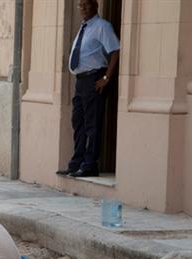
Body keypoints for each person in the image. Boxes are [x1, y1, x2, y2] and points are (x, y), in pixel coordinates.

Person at [57, 0, 120, 178]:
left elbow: (115, 51)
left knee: (92, 124)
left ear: (95, 6)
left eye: (86, 5)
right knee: (79, 123)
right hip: (81, 81)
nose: (82, 8)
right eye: (80, 5)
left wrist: (106, 78)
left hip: (94, 78)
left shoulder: (102, 26)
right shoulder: (84, 27)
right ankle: (76, 163)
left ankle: (90, 164)